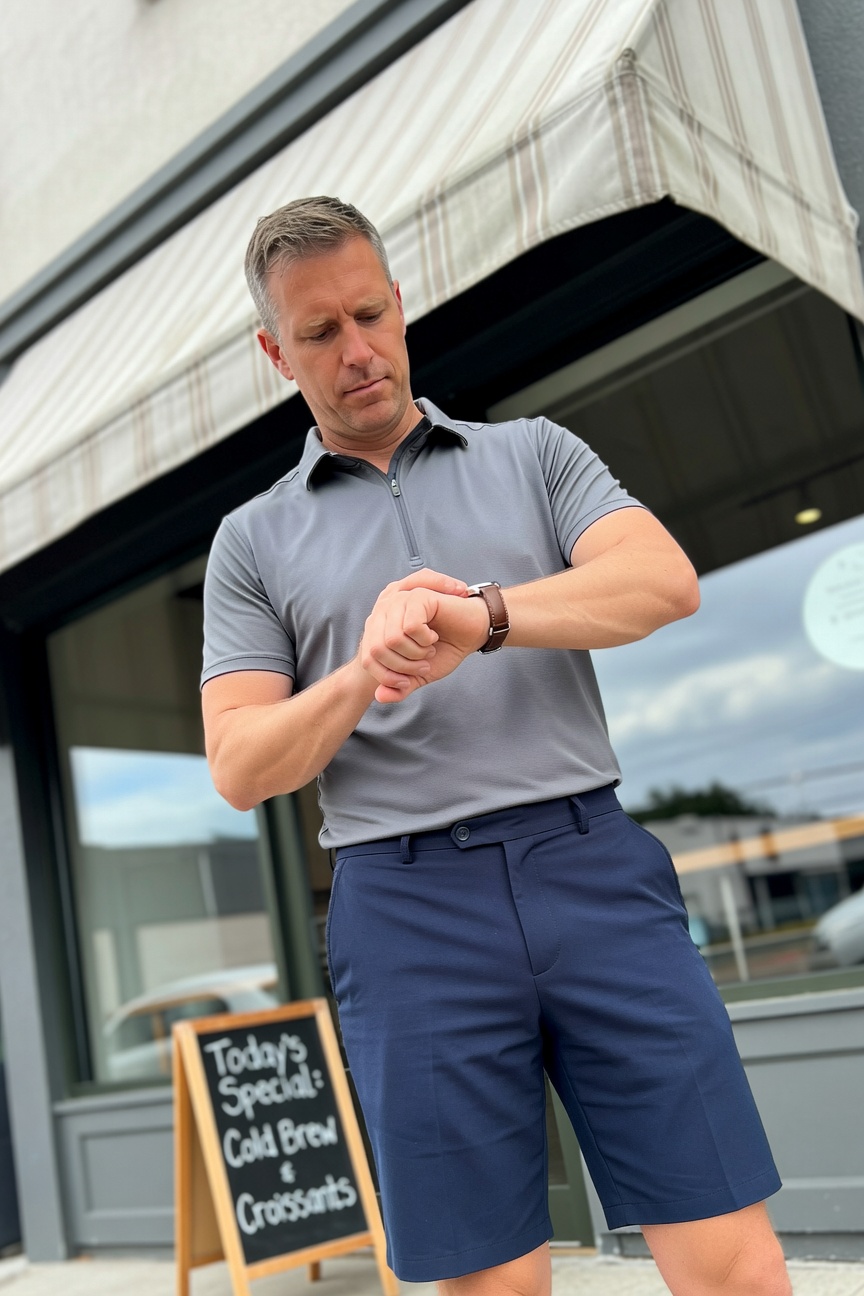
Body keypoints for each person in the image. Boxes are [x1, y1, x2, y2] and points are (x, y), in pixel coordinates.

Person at [201, 196, 791, 1296]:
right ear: (276, 351)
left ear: (400, 300)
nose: (358, 349)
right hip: (405, 908)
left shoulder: (533, 455)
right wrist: (360, 671)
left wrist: (488, 615)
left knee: (738, 1270)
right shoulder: (251, 541)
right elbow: (240, 765)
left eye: (370, 313)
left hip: (592, 867)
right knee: (495, 1288)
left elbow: (662, 582)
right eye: (321, 333)